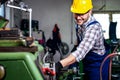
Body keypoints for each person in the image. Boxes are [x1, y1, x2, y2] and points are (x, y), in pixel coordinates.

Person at [55, 0, 110, 80]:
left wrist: (59, 65)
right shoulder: (80, 23)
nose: (78, 17)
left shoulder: (94, 28)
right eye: (76, 13)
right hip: (87, 63)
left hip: (98, 66)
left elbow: (81, 51)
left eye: (82, 14)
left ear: (90, 11)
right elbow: (81, 42)